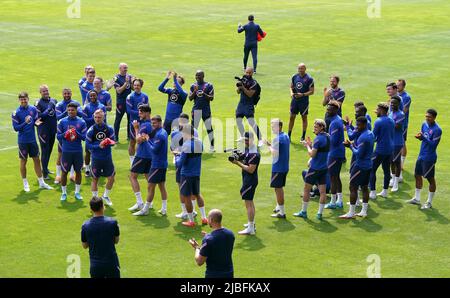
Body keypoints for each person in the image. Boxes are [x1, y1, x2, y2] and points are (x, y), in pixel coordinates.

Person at [12, 92, 52, 191]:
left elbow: (35, 120)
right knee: (23, 161)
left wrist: (37, 123)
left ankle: (41, 182)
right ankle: (25, 183)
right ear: (19, 100)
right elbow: (16, 128)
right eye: (21, 99)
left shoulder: (33, 109)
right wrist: (25, 123)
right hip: (23, 141)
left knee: (37, 160)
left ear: (28, 99)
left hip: (33, 140)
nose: (23, 101)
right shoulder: (16, 113)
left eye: (25, 99)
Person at [133, 115, 169, 216]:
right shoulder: (163, 132)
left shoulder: (160, 135)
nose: (153, 125)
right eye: (152, 123)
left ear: (160, 123)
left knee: (150, 187)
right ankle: (164, 208)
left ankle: (145, 209)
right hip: (162, 164)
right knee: (162, 186)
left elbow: (154, 150)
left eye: (155, 123)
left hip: (157, 164)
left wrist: (148, 139)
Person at [294, 119, 329, 220]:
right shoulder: (328, 137)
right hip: (324, 168)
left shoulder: (318, 139)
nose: (314, 129)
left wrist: (307, 146)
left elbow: (312, 154)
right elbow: (321, 150)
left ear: (322, 127)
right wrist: (312, 145)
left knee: (306, 189)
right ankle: (319, 214)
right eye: (314, 127)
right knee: (322, 192)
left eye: (316, 127)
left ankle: (303, 212)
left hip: (314, 169)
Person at [340, 117, 374, 219]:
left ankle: (351, 212)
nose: (357, 127)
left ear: (364, 125)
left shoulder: (363, 137)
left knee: (353, 187)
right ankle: (364, 211)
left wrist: (350, 146)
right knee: (364, 187)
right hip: (368, 165)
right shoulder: (370, 133)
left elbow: (358, 154)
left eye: (359, 125)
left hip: (360, 166)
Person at [407, 109, 442, 209]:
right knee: (417, 175)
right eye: (426, 116)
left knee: (430, 179)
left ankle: (429, 202)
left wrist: (423, 138)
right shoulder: (424, 124)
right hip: (421, 155)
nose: (427, 118)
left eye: (429, 117)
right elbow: (422, 134)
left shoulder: (437, 130)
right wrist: (419, 136)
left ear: (434, 118)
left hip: (429, 157)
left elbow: (433, 145)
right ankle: (417, 198)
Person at [176, 124, 208, 227]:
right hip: (196, 173)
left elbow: (180, 163)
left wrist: (176, 156)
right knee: (197, 194)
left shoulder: (186, 145)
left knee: (187, 197)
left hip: (186, 174)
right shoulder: (200, 142)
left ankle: (191, 221)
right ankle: (204, 218)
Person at [171, 113, 201, 219]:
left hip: (184, 163)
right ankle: (191, 211)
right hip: (191, 164)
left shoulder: (179, 133)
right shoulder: (191, 132)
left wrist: (178, 154)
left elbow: (175, 148)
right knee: (192, 190)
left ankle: (186, 212)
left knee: (183, 188)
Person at [188, 209, 235, 278]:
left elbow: (199, 261)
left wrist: (197, 248)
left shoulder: (209, 240)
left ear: (211, 219)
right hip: (229, 274)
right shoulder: (230, 234)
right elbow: (220, 243)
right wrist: (209, 236)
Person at [81, 196, 120, 278]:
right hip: (111, 263)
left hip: (95, 265)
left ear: (91, 209)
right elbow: (116, 241)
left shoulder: (85, 226)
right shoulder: (113, 222)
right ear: (103, 207)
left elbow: (84, 246)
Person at [230, 132, 260, 235]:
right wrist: (238, 156)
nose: (245, 142)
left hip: (250, 180)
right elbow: (244, 157)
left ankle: (251, 228)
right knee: (250, 202)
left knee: (248, 203)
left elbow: (250, 169)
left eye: (247, 140)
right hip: (248, 180)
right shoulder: (249, 149)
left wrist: (237, 163)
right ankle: (251, 223)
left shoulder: (254, 153)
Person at [57, 102, 87, 201]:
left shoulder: (82, 122)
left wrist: (76, 132)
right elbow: (58, 136)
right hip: (66, 151)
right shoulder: (62, 122)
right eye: (69, 110)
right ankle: (64, 193)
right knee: (64, 172)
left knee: (78, 172)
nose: (70, 112)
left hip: (77, 151)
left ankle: (77, 192)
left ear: (76, 111)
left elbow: (84, 137)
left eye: (72, 110)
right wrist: (66, 133)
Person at [86, 109, 116, 206]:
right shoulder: (91, 130)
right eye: (95, 117)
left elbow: (113, 142)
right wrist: (99, 145)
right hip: (96, 158)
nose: (97, 119)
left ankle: (105, 196)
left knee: (111, 178)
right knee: (95, 179)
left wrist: (107, 142)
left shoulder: (109, 128)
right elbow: (88, 145)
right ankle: (95, 199)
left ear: (103, 117)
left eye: (99, 117)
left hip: (107, 158)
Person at [128, 104, 152, 212]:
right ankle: (149, 203)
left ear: (147, 113)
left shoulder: (144, 126)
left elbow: (138, 140)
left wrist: (136, 129)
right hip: (150, 155)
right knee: (149, 179)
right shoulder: (152, 124)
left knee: (132, 176)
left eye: (141, 112)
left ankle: (139, 202)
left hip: (142, 155)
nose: (139, 114)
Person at [55, 88, 82, 184]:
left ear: (71, 93)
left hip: (74, 134)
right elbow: (57, 117)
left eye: (68, 93)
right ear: (62, 94)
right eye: (65, 93)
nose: (67, 95)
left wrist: (75, 111)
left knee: (73, 155)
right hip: (63, 132)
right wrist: (67, 111)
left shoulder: (76, 103)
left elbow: (81, 114)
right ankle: (58, 175)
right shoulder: (59, 105)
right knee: (60, 154)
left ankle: (72, 175)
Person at [264, 119, 289, 218]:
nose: (272, 128)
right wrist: (271, 145)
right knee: (279, 188)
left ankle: (282, 212)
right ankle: (279, 207)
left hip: (278, 168)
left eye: (273, 126)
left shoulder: (277, 139)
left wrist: (268, 146)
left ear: (279, 127)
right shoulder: (285, 135)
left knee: (278, 189)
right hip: (284, 166)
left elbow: (275, 153)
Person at [369, 102, 395, 199]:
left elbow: (373, 136)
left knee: (372, 169)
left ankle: (373, 192)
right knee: (386, 170)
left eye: (378, 109)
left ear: (382, 110)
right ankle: (385, 191)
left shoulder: (378, 121)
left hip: (380, 150)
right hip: (390, 149)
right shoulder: (391, 120)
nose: (376, 111)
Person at [324, 101, 345, 209]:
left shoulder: (335, 122)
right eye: (327, 109)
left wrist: (324, 136)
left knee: (333, 177)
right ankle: (339, 200)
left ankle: (333, 201)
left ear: (336, 110)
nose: (328, 111)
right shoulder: (337, 120)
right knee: (336, 177)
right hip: (337, 152)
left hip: (335, 153)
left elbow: (334, 140)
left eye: (330, 109)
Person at [235, 67, 263, 147]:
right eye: (246, 72)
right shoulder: (243, 79)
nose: (247, 74)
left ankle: (260, 139)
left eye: (249, 73)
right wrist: (239, 87)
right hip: (241, 103)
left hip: (249, 105)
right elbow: (237, 92)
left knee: (251, 122)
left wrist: (243, 87)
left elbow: (250, 94)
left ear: (252, 73)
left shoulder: (254, 83)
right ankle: (243, 136)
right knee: (238, 120)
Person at [35, 84, 58, 180]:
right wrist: (49, 108)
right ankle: (44, 173)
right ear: (40, 93)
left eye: (47, 90)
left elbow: (58, 113)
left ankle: (46, 168)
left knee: (49, 150)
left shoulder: (54, 101)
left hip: (53, 129)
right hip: (43, 130)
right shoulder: (38, 103)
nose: (46, 92)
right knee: (44, 151)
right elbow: (39, 117)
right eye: (43, 91)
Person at [189, 70, 215, 152]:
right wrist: (194, 91)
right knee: (193, 129)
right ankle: (192, 146)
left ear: (203, 76)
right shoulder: (193, 86)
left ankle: (212, 146)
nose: (197, 77)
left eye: (199, 76)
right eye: (196, 75)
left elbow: (211, 98)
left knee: (209, 128)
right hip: (196, 110)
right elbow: (190, 98)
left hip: (206, 110)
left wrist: (204, 94)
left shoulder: (209, 85)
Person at [82, 91, 107, 177]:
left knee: (101, 149)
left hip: (100, 131)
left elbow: (104, 119)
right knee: (88, 151)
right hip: (89, 131)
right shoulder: (86, 107)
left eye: (94, 95)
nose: (92, 97)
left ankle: (100, 168)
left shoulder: (102, 106)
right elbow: (85, 120)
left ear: (97, 96)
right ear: (88, 97)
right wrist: (95, 118)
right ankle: (88, 169)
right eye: (91, 96)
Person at [288, 63, 315, 142]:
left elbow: (312, 91)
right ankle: (289, 136)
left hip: (304, 101)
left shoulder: (309, 79)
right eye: (299, 68)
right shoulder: (295, 77)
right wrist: (291, 93)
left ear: (305, 69)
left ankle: (303, 137)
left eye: (302, 68)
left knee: (304, 117)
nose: (300, 70)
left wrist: (302, 94)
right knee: (291, 117)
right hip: (295, 100)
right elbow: (291, 87)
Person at [126, 78, 149, 165]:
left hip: (143, 123)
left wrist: (147, 118)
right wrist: (141, 113)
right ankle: (132, 161)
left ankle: (141, 160)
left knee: (143, 141)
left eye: (138, 85)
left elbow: (148, 109)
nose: (136, 87)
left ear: (141, 86)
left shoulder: (145, 96)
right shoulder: (130, 97)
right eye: (135, 85)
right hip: (134, 122)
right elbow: (129, 111)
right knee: (133, 141)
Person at [158, 71, 187, 135]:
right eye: (175, 81)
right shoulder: (170, 91)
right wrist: (167, 78)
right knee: (164, 135)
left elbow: (180, 91)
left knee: (176, 138)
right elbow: (160, 88)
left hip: (177, 120)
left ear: (181, 84)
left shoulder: (184, 94)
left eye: (177, 82)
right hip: (167, 119)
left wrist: (174, 79)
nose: (175, 82)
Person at [113, 63, 134, 142]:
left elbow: (133, 88)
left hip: (129, 102)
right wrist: (126, 83)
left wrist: (132, 83)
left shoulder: (129, 76)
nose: (126, 69)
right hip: (121, 103)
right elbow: (119, 91)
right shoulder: (116, 78)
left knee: (130, 119)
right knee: (118, 120)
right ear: (120, 68)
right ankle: (115, 137)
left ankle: (129, 136)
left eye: (126, 68)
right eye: (124, 68)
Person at [388, 96, 405, 192]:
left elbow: (397, 126)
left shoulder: (401, 114)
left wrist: (386, 122)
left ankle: (396, 183)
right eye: (391, 103)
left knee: (397, 162)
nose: (392, 104)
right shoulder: (390, 113)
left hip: (397, 142)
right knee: (391, 161)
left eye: (394, 103)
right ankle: (393, 178)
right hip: (391, 141)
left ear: (398, 104)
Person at [397, 79, 411, 174]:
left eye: (399, 85)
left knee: (402, 142)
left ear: (403, 86)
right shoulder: (396, 95)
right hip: (396, 122)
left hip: (402, 124)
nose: (397, 87)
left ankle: (401, 163)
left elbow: (404, 111)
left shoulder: (406, 97)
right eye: (396, 85)